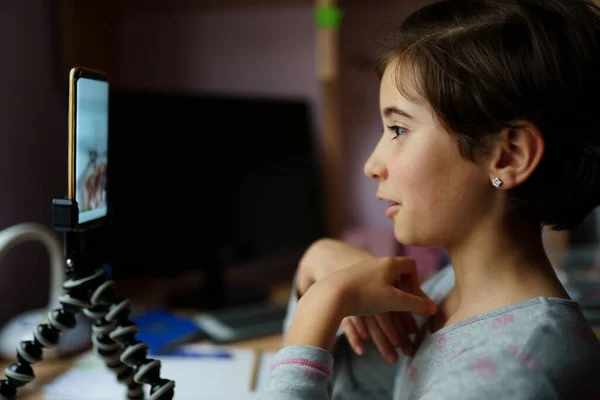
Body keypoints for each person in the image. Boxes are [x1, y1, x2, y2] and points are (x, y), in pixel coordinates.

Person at [263, 0, 600, 398]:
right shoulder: (447, 293)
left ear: (509, 156)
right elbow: (344, 387)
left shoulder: (508, 373)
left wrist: (322, 304)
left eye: (399, 129)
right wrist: (316, 268)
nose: (373, 163)